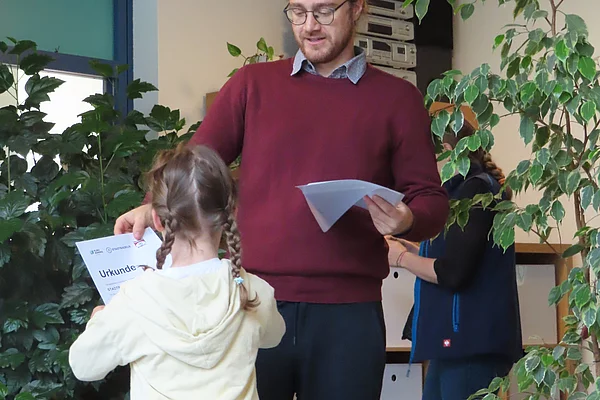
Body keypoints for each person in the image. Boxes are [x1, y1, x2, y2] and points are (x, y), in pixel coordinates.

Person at [114, 0, 449, 398]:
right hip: (251, 301)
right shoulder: (251, 84)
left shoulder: (398, 98)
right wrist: (153, 203)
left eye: (324, 11)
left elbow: (431, 200)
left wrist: (407, 219)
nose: (309, 25)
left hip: (349, 315)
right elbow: (196, 165)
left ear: (357, 7)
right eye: (298, 12)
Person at [69, 144, 286, 400]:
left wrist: (99, 320)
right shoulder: (251, 290)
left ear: (157, 220)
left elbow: (83, 366)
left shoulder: (133, 302)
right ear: (232, 214)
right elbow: (274, 336)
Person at [386, 120, 523, 400]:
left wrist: (400, 258)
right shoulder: (461, 193)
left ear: (448, 150)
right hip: (458, 345)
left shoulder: (475, 191)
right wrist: (412, 251)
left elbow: (453, 272)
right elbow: (458, 257)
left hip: (470, 344)